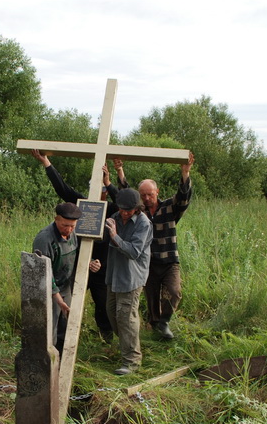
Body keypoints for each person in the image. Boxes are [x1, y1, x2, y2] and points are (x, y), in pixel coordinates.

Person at [31, 149, 118, 342]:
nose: (99, 195)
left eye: (103, 192)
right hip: (76, 264)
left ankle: (106, 337)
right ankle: (65, 341)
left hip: (101, 266)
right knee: (67, 305)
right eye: (97, 191)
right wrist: (47, 163)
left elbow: (123, 201)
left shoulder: (112, 209)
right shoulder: (81, 206)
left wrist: (110, 183)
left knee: (103, 304)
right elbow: (62, 188)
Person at [113, 151, 194, 340]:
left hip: (168, 260)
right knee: (151, 297)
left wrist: (185, 173)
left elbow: (183, 197)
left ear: (157, 192)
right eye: (143, 195)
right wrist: (120, 170)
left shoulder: (169, 208)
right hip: (147, 262)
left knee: (174, 292)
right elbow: (126, 194)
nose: (147, 198)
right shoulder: (139, 213)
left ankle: (164, 321)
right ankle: (155, 325)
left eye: (150, 194)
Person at [32, 202, 101, 354]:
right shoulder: (44, 239)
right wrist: (58, 299)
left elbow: (75, 255)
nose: (69, 230)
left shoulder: (72, 234)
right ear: (56, 219)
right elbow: (43, 273)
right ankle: (49, 360)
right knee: (51, 328)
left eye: (72, 226)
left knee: (66, 323)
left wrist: (89, 263)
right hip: (48, 290)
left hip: (65, 286)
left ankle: (64, 360)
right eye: (65, 225)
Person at [104, 188, 153, 375]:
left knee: (126, 317)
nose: (125, 213)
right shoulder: (114, 216)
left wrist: (115, 236)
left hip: (131, 277)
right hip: (114, 274)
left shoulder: (143, 223)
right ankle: (127, 346)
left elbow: (133, 252)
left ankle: (132, 362)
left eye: (129, 210)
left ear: (137, 208)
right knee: (112, 313)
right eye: (122, 209)